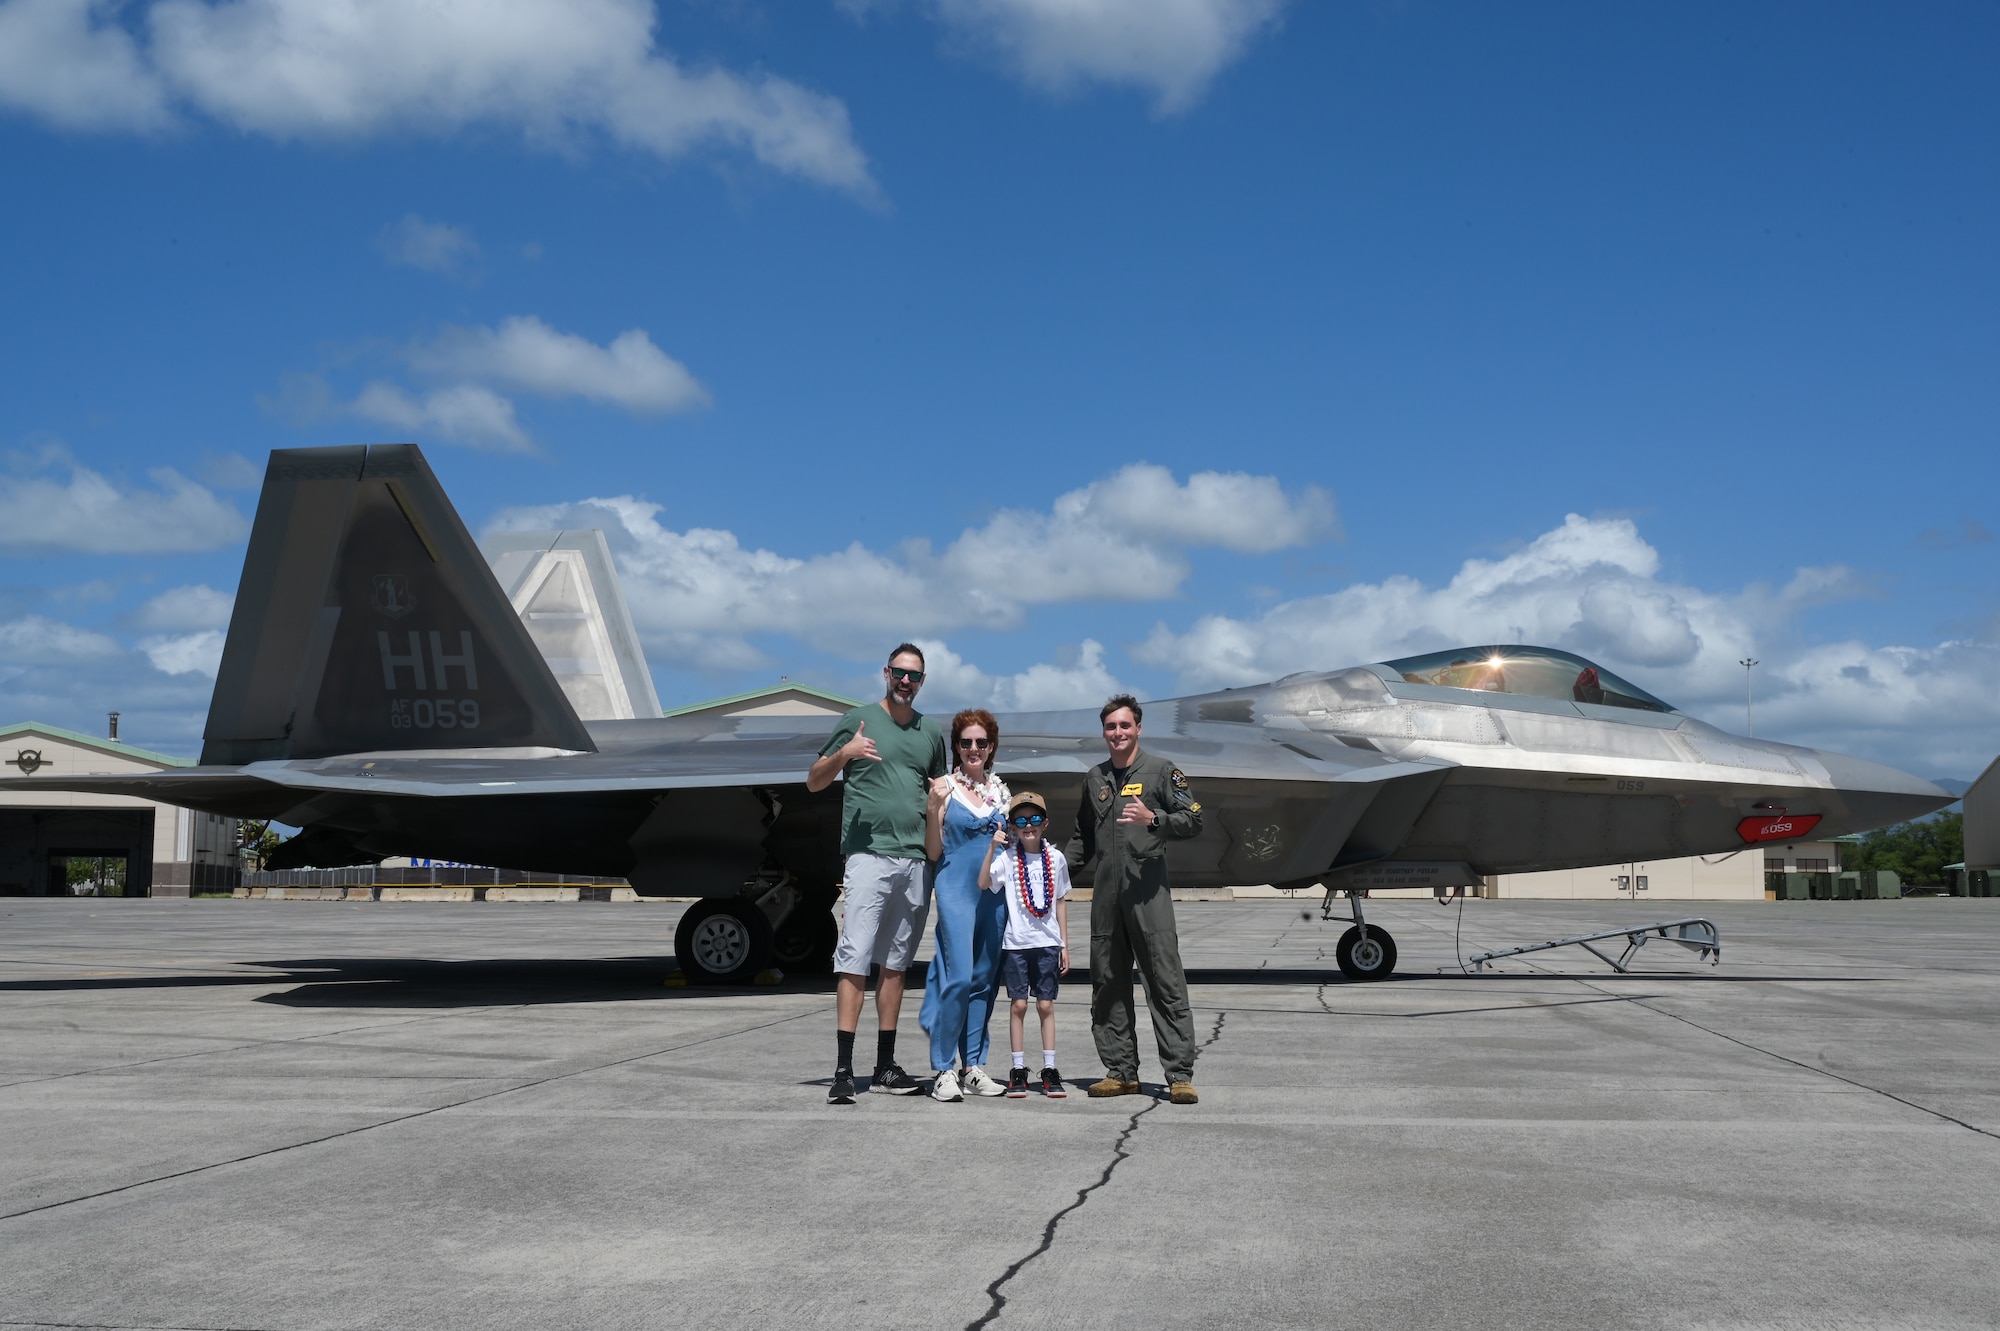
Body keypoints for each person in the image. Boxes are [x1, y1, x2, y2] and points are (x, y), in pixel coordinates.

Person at [806, 643, 948, 1105]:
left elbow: (940, 793)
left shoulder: (931, 734)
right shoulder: (858, 719)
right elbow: (814, 780)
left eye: (915, 676)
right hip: (869, 856)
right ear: (886, 673)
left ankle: (884, 1065)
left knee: (895, 965)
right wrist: (845, 753)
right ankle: (843, 1070)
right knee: (854, 958)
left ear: (922, 681)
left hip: (914, 861)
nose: (906, 682)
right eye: (900, 673)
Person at [1065, 694, 1203, 1105]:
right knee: (1107, 983)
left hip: (1149, 898)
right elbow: (1083, 839)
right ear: (1103, 732)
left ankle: (1178, 1076)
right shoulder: (1095, 779)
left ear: (1138, 728)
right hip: (1107, 900)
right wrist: (1047, 872)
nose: (1118, 733)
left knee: (1164, 981)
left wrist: (1154, 819)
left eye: (1125, 726)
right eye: (1111, 727)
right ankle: (1120, 1072)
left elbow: (1194, 818)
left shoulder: (1162, 772)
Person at [917, 708, 1011, 1102]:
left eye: (981, 743)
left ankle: (972, 1065)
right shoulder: (943, 787)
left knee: (985, 981)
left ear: (991, 748)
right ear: (956, 746)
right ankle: (942, 1069)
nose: (974, 749)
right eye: (966, 742)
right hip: (955, 888)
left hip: (993, 894)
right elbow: (934, 850)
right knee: (957, 977)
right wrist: (933, 808)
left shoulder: (1002, 792)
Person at [978, 791, 1071, 1098]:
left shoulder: (1056, 859)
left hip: (1047, 943)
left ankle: (1049, 1067)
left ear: (1044, 824)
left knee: (1045, 1004)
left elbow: (1059, 901)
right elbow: (983, 884)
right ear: (1013, 826)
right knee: (1018, 1005)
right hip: (1016, 944)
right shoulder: (1007, 859)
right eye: (1020, 820)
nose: (1027, 825)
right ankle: (1018, 1070)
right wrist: (992, 848)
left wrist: (1064, 945)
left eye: (1033, 819)